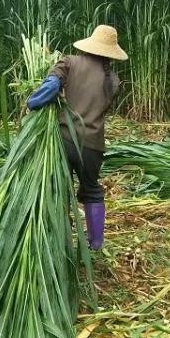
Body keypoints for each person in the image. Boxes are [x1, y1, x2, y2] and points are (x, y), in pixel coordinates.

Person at [26, 24, 128, 250]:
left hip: (64, 140)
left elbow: (51, 86)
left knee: (61, 190)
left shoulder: (69, 62)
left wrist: (32, 103)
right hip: (92, 146)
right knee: (92, 190)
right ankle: (96, 244)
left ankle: (61, 243)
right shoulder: (113, 80)